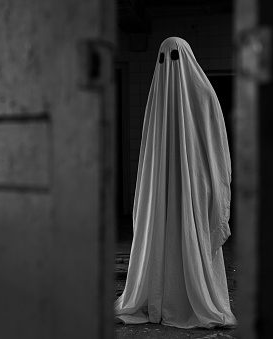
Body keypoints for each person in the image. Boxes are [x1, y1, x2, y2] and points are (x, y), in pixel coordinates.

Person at [114, 37, 237, 329]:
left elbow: (216, 145)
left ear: (188, 59)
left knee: (191, 235)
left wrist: (212, 185)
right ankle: (162, 294)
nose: (168, 65)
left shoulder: (204, 94)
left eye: (175, 57)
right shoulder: (158, 97)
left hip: (194, 184)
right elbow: (151, 157)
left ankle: (187, 296)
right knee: (164, 235)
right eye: (163, 58)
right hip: (162, 188)